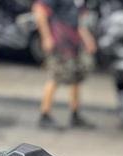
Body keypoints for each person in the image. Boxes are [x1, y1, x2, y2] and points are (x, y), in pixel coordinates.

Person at [33, 0, 97, 129]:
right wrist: (46, 37)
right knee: (55, 76)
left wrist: (87, 39)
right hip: (60, 41)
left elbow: (79, 22)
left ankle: (75, 114)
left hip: (73, 43)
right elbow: (39, 10)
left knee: (76, 77)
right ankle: (44, 114)